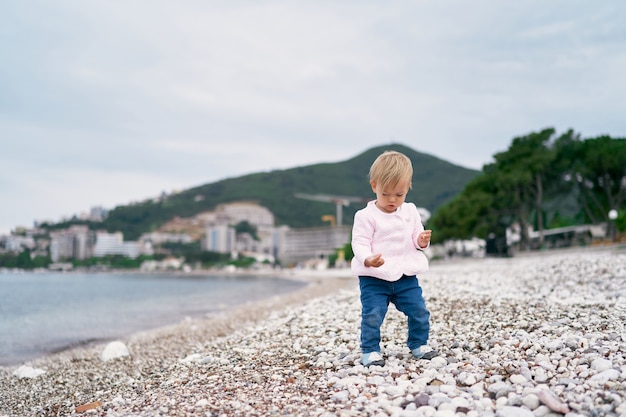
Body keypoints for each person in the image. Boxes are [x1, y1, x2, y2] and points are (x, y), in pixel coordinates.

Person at [351, 150, 436, 367]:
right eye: (386, 193)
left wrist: (422, 240)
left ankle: (419, 344)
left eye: (399, 195)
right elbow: (359, 243)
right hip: (374, 278)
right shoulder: (365, 216)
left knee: (419, 310)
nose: (392, 200)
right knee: (373, 314)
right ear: (374, 186)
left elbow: (416, 239)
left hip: (405, 275)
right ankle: (370, 350)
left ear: (408, 188)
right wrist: (368, 259)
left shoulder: (410, 211)